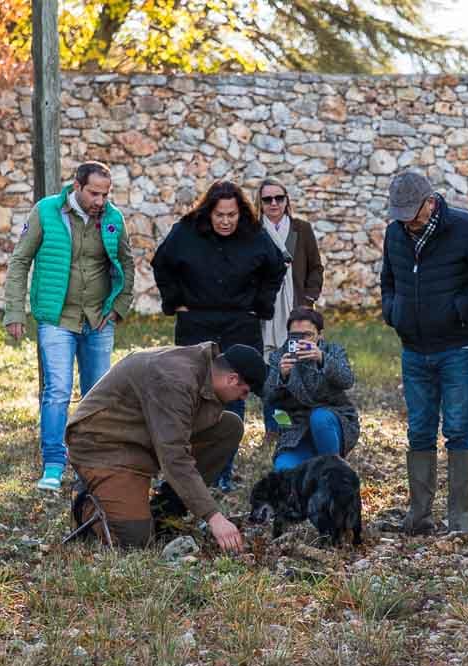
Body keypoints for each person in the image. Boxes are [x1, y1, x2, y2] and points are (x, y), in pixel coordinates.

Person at [380, 170, 468, 534]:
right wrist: (393, 311)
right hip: (413, 348)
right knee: (419, 431)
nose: (406, 222)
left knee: (457, 428)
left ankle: (459, 519)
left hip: (458, 347)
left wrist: (460, 309)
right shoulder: (394, 233)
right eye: (400, 215)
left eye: (412, 213)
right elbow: (388, 280)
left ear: (430, 202)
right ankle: (419, 515)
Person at [3, 161, 135, 493]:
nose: (100, 201)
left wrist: (118, 308)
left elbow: (127, 264)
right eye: (94, 193)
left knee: (97, 394)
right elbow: (20, 260)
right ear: (76, 186)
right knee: (58, 390)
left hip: (98, 320)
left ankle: (89, 466)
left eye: (105, 194)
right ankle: (53, 464)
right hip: (57, 318)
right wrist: (15, 311)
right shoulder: (46, 212)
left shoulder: (113, 219)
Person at [64, 342, 268, 551]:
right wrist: (213, 517)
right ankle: (84, 503)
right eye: (244, 392)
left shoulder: (205, 369)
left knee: (230, 427)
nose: (244, 398)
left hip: (141, 438)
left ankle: (167, 507)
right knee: (135, 541)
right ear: (231, 379)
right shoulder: (175, 380)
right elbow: (174, 457)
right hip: (102, 445)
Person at [151, 180, 287, 490]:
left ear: (241, 213)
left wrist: (261, 305)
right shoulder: (186, 231)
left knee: (233, 398)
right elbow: (162, 264)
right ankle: (188, 472)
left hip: (240, 324)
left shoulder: (255, 234)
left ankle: (222, 473)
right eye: (219, 215)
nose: (226, 221)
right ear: (208, 212)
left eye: (232, 215)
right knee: (193, 396)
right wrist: (175, 302)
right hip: (196, 324)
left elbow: (276, 268)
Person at [254, 178, 325, 440]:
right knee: (271, 370)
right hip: (266, 312)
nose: (274, 203)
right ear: (260, 203)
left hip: (296, 311)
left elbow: (316, 267)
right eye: (267, 199)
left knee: (299, 365)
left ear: (286, 200)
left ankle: (298, 427)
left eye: (279, 198)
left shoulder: (301, 229)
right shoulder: (253, 232)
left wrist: (308, 299)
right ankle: (274, 429)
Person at [263, 307, 359, 471]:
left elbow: (347, 380)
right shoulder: (279, 356)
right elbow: (268, 397)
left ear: (320, 335)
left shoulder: (333, 351)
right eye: (295, 336)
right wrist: (282, 376)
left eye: (307, 335)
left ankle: (333, 470)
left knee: (319, 417)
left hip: (331, 421)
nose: (301, 341)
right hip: (297, 430)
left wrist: (321, 358)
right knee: (284, 469)